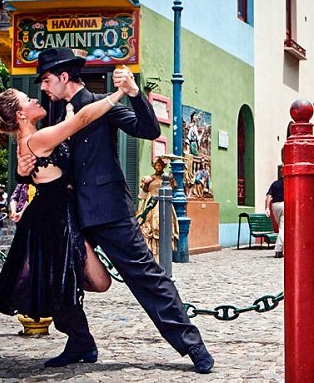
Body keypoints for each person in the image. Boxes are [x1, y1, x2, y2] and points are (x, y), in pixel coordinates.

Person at [17, 47, 213, 373]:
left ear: (65, 77)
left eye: (48, 80)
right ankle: (80, 342)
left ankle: (193, 346)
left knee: (147, 277)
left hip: (108, 210)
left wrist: (135, 94)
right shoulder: (51, 113)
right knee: (58, 277)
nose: (44, 87)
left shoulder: (103, 104)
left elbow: (148, 130)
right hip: (68, 213)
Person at [0, 82, 121, 368]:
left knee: (87, 282)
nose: (36, 99)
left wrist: (68, 104)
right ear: (20, 115)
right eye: (28, 99)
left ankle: (80, 339)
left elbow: (64, 131)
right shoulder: (35, 141)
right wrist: (118, 95)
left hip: (59, 219)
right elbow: (82, 120)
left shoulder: (32, 141)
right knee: (12, 284)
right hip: (49, 224)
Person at [137, 156, 179, 258]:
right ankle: (150, 251)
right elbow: (145, 190)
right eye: (157, 165)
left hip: (163, 203)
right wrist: (147, 182)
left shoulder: (166, 178)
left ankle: (163, 252)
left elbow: (174, 187)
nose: (158, 167)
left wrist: (172, 179)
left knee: (163, 225)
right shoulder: (149, 178)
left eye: (160, 165)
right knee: (148, 226)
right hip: (150, 203)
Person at [265, 165, 284, 259]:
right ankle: (278, 250)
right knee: (283, 228)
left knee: (281, 227)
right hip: (285, 205)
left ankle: (282, 248)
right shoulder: (289, 182)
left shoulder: (275, 183)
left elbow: (269, 196)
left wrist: (267, 208)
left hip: (275, 206)